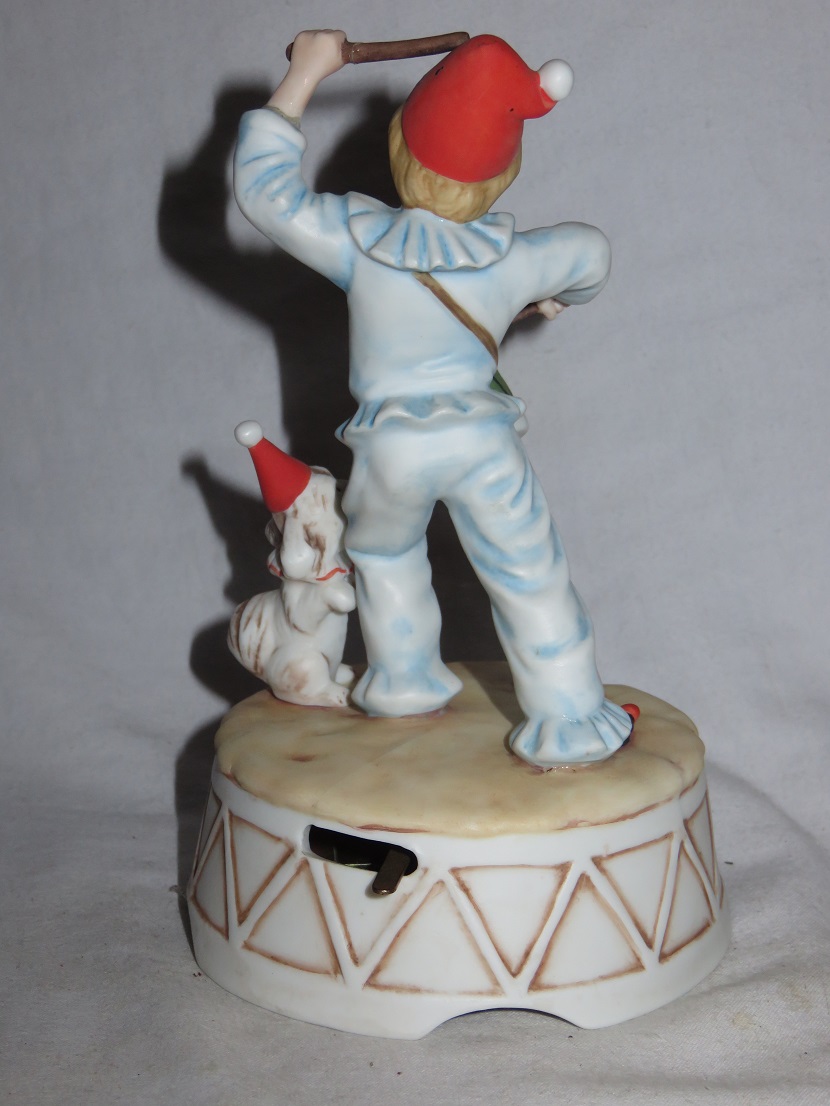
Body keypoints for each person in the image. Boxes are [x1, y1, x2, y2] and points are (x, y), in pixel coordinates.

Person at [233, 29, 632, 766]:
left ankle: (405, 679)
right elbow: (593, 255)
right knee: (527, 573)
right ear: (502, 174)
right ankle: (571, 715)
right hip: (483, 444)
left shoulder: (359, 240)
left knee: (384, 554)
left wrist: (305, 75)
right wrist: (550, 295)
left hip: (391, 451)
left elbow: (263, 192)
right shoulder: (517, 257)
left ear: (398, 147)